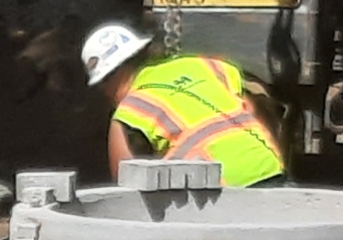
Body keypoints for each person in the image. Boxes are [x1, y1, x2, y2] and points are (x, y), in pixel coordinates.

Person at [82, 20, 286, 185]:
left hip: (221, 192)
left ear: (105, 82)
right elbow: (256, 107)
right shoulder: (204, 65)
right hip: (269, 169)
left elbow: (127, 193)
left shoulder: (129, 110)